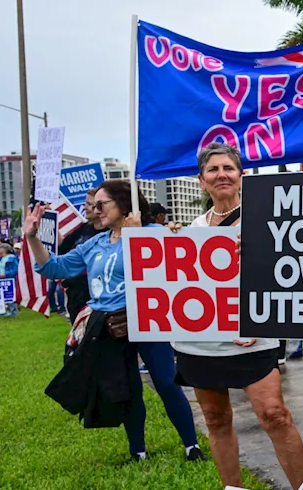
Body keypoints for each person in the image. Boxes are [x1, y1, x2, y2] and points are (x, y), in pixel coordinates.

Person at [27, 180, 203, 462]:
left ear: (123, 204)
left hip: (147, 318)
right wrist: (33, 237)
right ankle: (138, 451)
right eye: (93, 206)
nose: (95, 212)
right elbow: (53, 267)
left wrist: (136, 240)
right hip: (110, 325)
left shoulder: (153, 232)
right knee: (129, 387)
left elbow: (172, 268)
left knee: (165, 381)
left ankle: (191, 445)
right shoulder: (95, 242)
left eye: (101, 205)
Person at [171, 143, 303, 490]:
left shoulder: (266, 220)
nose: (221, 175)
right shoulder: (190, 231)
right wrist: (167, 247)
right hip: (202, 344)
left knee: (274, 414)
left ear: (241, 175)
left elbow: (290, 271)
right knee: (216, 419)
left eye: (228, 168)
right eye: (213, 170)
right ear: (202, 181)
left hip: (254, 337)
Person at [58, 186, 105, 322]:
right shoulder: (83, 229)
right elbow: (63, 248)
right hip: (77, 293)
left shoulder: (112, 233)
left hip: (97, 292)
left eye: (89, 204)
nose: (84, 208)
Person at [0, 242, 17, 317]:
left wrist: (6, 274)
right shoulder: (1, 258)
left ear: (4, 249)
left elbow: (15, 270)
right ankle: (2, 311)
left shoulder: (12, 258)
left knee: (10, 295)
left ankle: (13, 312)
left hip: (10, 280)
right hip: (0, 279)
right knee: (1, 295)